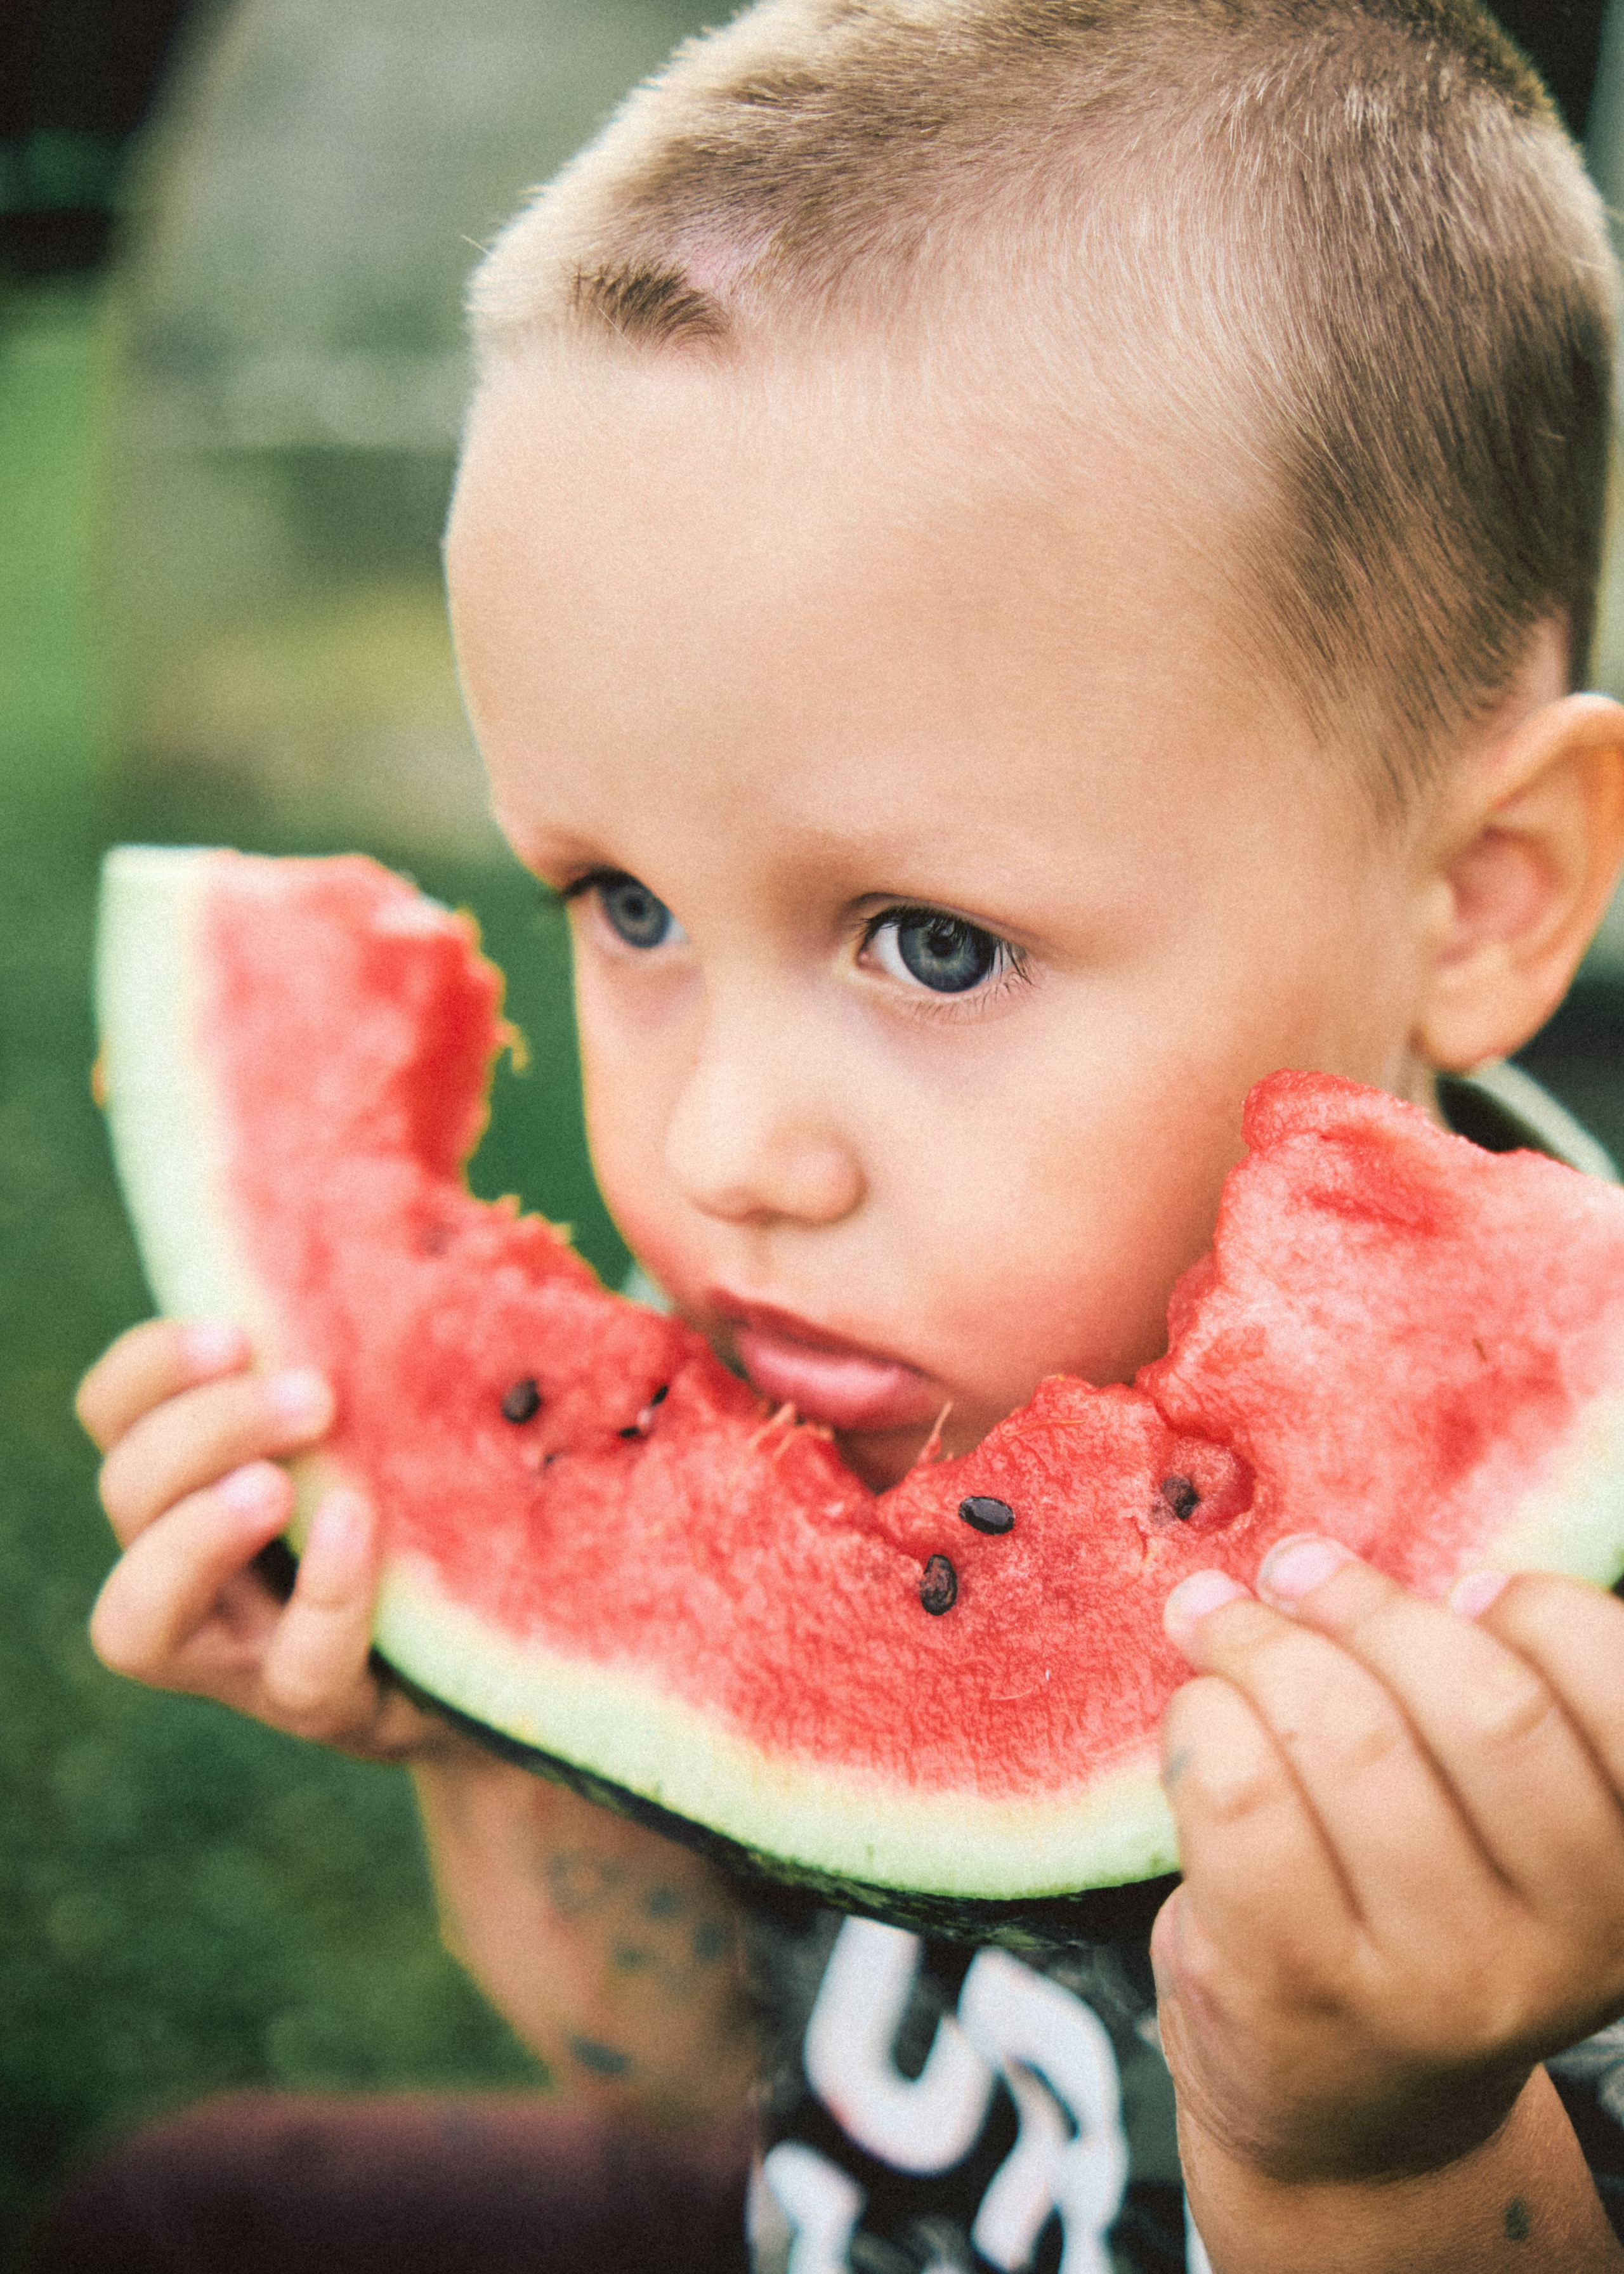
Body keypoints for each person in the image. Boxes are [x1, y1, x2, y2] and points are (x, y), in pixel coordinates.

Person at [72, 1, 1624, 2266]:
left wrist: (1379, 2146)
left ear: (1481, 901)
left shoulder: (1563, 1704)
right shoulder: (830, 1359)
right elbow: (699, 2091)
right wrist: (483, 1729)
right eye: (622, 905)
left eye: (932, 944)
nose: (726, 1151)